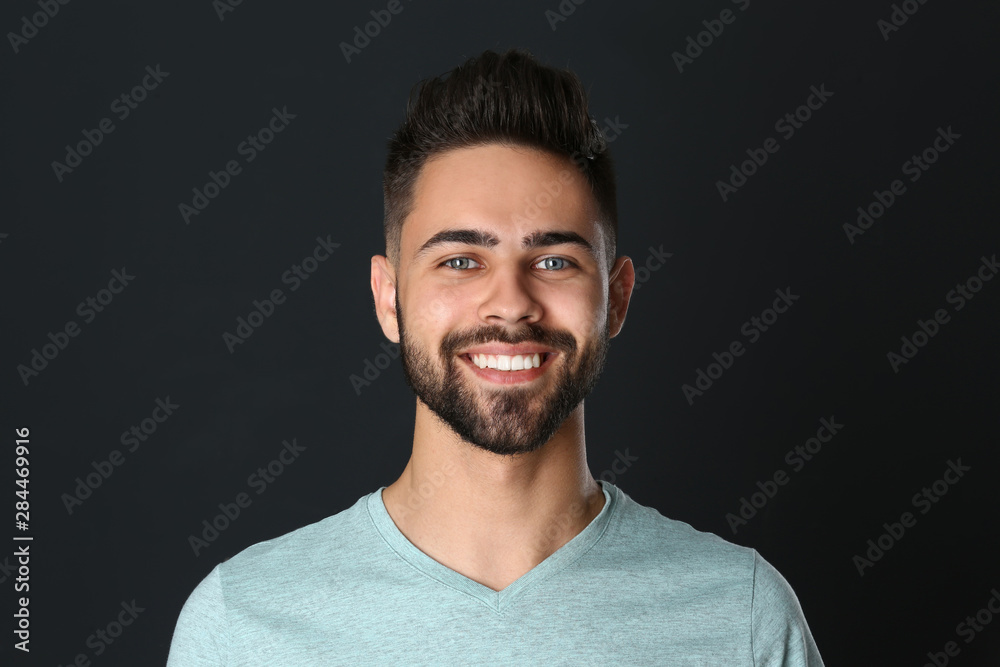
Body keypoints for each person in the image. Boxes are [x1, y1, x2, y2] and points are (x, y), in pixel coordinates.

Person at [167, 48, 824, 665]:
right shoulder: (242, 626)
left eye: (554, 260)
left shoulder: (740, 619)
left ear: (617, 297)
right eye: (460, 260)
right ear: (388, 298)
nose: (510, 304)